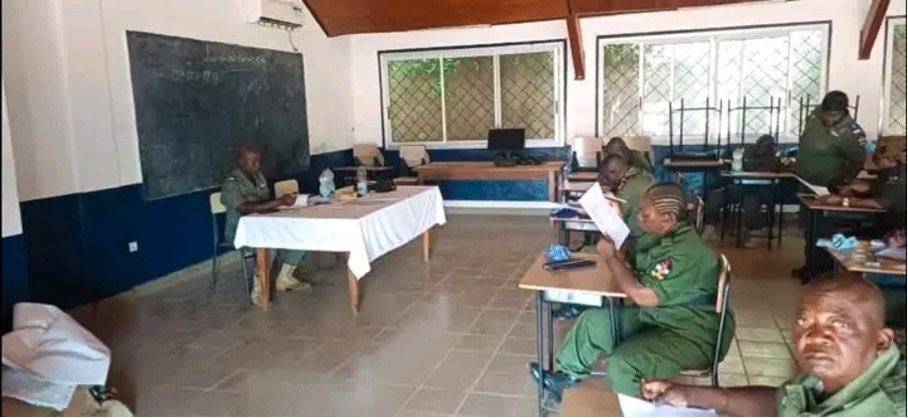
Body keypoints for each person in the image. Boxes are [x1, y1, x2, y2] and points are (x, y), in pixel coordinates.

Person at [530, 183, 735, 400]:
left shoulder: (685, 254)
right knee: (592, 323)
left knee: (622, 364)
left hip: (694, 335)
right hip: (664, 316)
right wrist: (615, 223)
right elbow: (632, 255)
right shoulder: (669, 235)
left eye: (645, 214)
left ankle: (640, 410)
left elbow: (641, 295)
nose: (639, 217)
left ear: (667, 218)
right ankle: (566, 379)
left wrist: (610, 257)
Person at [641, 274, 906, 416]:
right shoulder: (835, 371)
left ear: (881, 341)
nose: (814, 337)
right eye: (804, 321)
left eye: (839, 324)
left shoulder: (891, 409)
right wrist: (693, 396)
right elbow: (786, 403)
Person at [220, 145, 311, 307]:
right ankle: (259, 289)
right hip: (240, 231)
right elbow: (244, 208)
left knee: (302, 232)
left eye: (258, 161)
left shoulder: (259, 177)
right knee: (268, 244)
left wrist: (282, 206)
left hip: (265, 225)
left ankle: (285, 277)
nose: (257, 165)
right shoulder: (231, 184)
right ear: (241, 162)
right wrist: (279, 201)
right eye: (252, 161)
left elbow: (264, 201)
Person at [701, 135, 787, 248]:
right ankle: (710, 230)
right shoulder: (744, 152)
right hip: (741, 186)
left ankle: (755, 233)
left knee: (751, 201)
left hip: (763, 189)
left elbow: (785, 171)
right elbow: (728, 167)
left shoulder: (777, 156)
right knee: (715, 196)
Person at [796, 91, 867, 189]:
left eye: (835, 116)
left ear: (843, 112)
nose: (830, 119)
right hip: (801, 179)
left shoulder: (851, 133)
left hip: (827, 185)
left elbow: (857, 161)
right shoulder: (815, 114)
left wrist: (843, 183)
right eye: (827, 115)